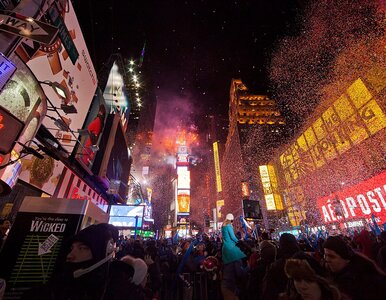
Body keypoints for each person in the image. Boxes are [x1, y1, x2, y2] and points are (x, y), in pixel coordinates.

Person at [22, 223, 147, 300]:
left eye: (82, 248)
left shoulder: (124, 292)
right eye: (71, 248)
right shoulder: (49, 291)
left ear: (105, 252)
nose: (70, 255)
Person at [323, 235, 386, 300]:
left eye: (332, 256)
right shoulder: (329, 279)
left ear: (346, 259)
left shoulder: (365, 280)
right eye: (325, 255)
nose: (326, 259)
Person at [221, 213, 247, 300]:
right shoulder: (228, 226)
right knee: (238, 263)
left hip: (226, 248)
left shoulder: (223, 226)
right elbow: (232, 237)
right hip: (231, 248)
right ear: (231, 220)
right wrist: (239, 241)